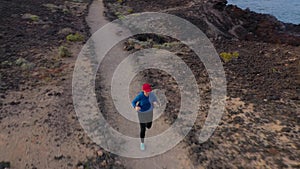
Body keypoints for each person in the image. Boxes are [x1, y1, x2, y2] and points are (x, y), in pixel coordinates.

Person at [131, 83, 159, 151]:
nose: (147, 93)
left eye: (148, 91)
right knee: (143, 129)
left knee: (149, 126)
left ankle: (147, 125)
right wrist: (136, 107)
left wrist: (155, 102)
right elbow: (133, 102)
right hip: (141, 113)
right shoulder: (140, 96)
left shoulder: (151, 95)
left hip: (149, 112)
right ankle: (142, 143)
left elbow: (155, 100)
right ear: (143, 90)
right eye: (146, 91)